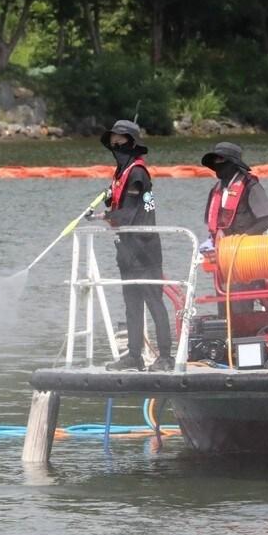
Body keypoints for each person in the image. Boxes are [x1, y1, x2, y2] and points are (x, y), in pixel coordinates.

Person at [99, 119, 172, 371]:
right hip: (126, 251)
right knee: (132, 305)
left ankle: (165, 356)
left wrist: (104, 216)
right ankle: (134, 355)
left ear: (132, 144)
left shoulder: (138, 174)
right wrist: (109, 200)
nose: (117, 148)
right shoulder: (121, 174)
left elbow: (132, 213)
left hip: (145, 249)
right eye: (113, 145)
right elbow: (127, 207)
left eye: (121, 144)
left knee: (153, 302)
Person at [201, 142, 268, 246]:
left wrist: (242, 239)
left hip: (247, 250)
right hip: (222, 249)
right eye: (215, 160)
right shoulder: (216, 190)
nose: (217, 163)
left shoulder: (250, 186)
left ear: (233, 163)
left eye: (221, 159)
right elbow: (213, 223)